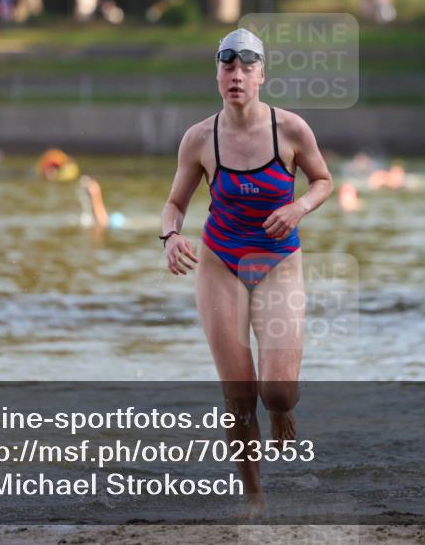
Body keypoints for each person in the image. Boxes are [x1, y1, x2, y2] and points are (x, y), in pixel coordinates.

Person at [159, 28, 333, 517]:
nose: (236, 76)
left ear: (261, 76)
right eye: (227, 67)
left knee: (276, 391)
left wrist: (298, 207)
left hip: (278, 260)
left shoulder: (290, 129)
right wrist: (170, 237)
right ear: (217, 75)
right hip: (221, 262)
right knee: (238, 394)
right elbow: (175, 204)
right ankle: (253, 494)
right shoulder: (200, 138)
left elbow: (323, 180)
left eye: (246, 68)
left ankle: (281, 407)